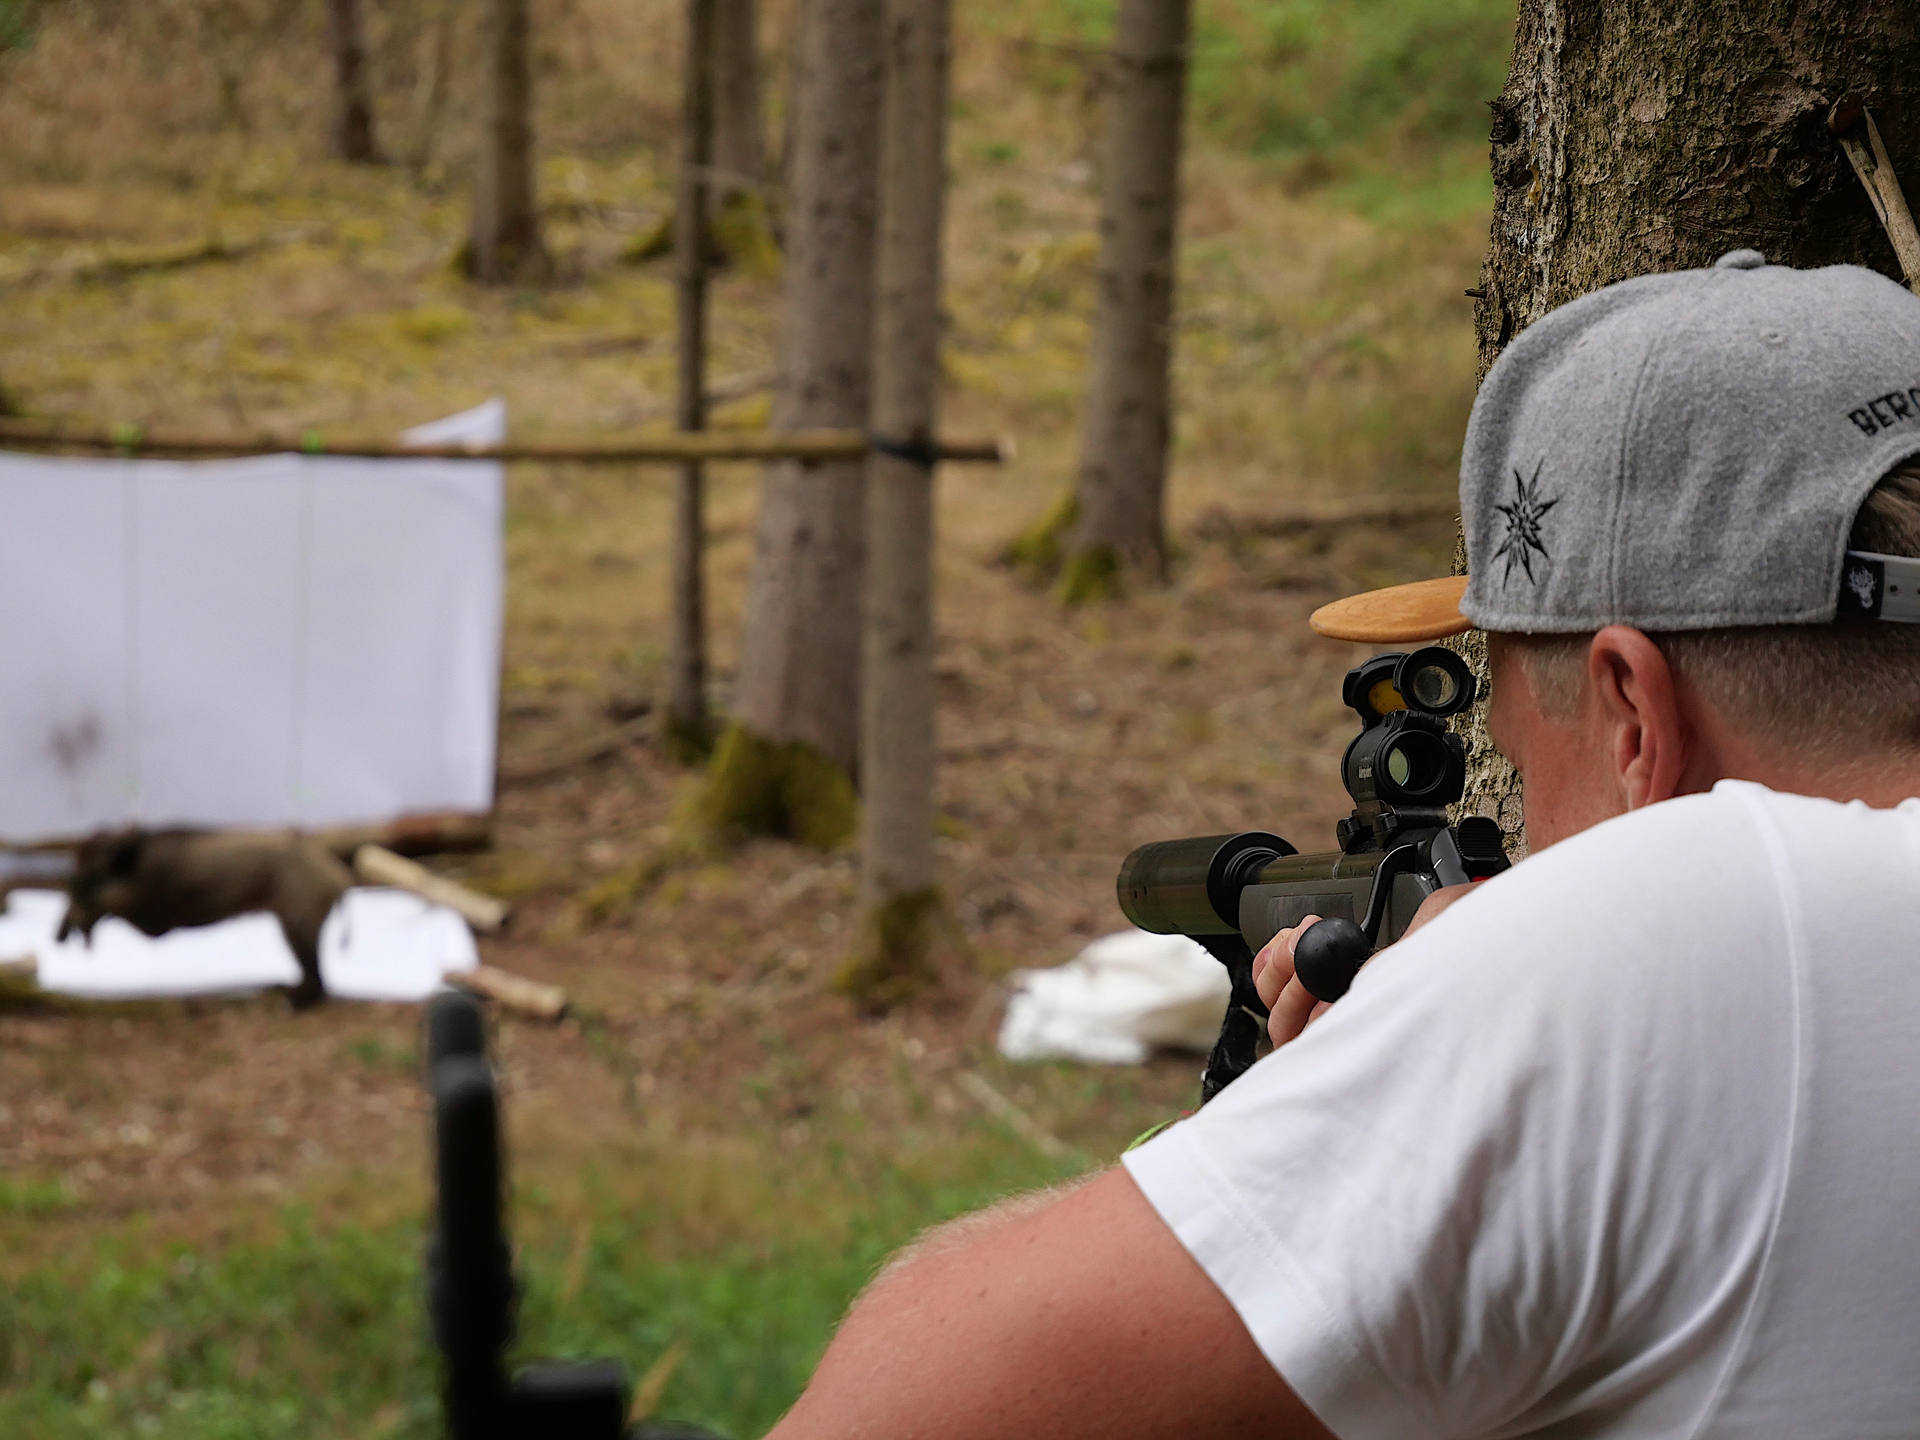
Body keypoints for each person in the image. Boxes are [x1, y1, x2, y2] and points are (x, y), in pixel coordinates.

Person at [766, 250, 1920, 1439]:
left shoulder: (1682, 936)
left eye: (1518, 766)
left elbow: (906, 1395)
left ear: (1632, 714)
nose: (1522, 832)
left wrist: (1342, 1077)